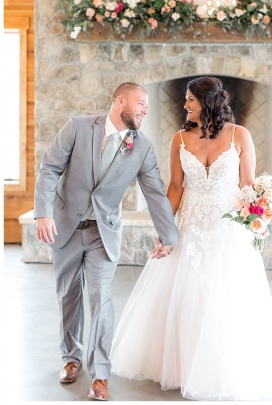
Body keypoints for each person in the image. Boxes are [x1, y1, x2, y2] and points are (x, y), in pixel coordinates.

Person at [110, 76, 272, 400]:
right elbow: (175, 187)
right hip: (189, 225)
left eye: (191, 99)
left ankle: (220, 364)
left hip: (226, 227)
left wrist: (260, 213)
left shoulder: (240, 136)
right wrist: (166, 231)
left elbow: (248, 185)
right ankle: (182, 363)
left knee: (223, 295)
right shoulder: (179, 139)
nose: (186, 104)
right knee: (188, 292)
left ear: (208, 101)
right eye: (187, 99)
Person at [34, 82, 178, 401]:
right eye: (140, 103)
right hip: (65, 226)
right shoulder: (79, 126)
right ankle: (71, 359)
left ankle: (100, 375)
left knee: (101, 296)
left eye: (147, 106)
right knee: (69, 296)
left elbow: (154, 192)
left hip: (104, 230)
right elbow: (49, 169)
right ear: (119, 100)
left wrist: (169, 235)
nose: (144, 110)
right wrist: (43, 213)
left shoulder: (141, 147)